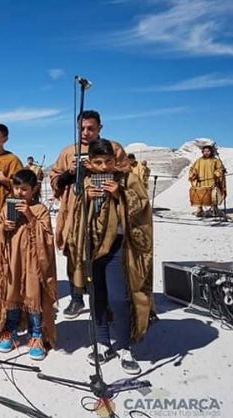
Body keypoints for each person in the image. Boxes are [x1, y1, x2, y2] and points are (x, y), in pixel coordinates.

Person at [67, 139, 154, 375]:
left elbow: (143, 209)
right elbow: (75, 216)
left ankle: (125, 346)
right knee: (97, 296)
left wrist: (120, 196)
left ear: (114, 161)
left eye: (108, 162)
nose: (104, 167)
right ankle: (103, 342)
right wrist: (86, 198)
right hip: (92, 248)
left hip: (118, 248)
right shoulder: (85, 182)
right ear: (91, 164)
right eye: (98, 162)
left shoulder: (128, 179)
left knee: (119, 299)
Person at [50, 110, 129, 319]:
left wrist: (97, 169)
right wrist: (70, 173)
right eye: (82, 128)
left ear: (100, 128)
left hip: (106, 212)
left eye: (90, 128)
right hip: (75, 213)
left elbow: (126, 174)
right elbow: (55, 180)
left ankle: (105, 301)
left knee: (104, 255)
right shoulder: (69, 152)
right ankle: (77, 298)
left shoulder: (113, 148)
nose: (85, 132)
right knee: (75, 254)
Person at [0, 169, 57, 361]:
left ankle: (36, 335)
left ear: (34, 189)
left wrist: (29, 216)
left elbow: (47, 237)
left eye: (25, 189)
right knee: (12, 294)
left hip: (33, 263)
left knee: (33, 295)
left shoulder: (40, 209)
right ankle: (11, 331)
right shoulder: (7, 207)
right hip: (12, 261)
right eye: (17, 188)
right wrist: (4, 228)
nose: (20, 193)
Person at [189, 145, 226, 218]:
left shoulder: (215, 160)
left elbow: (219, 169)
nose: (206, 153)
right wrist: (193, 174)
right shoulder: (199, 160)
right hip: (201, 181)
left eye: (208, 151)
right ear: (202, 152)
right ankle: (200, 209)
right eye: (204, 151)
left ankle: (215, 209)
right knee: (200, 195)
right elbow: (193, 169)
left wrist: (218, 173)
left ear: (211, 152)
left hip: (212, 181)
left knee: (213, 195)